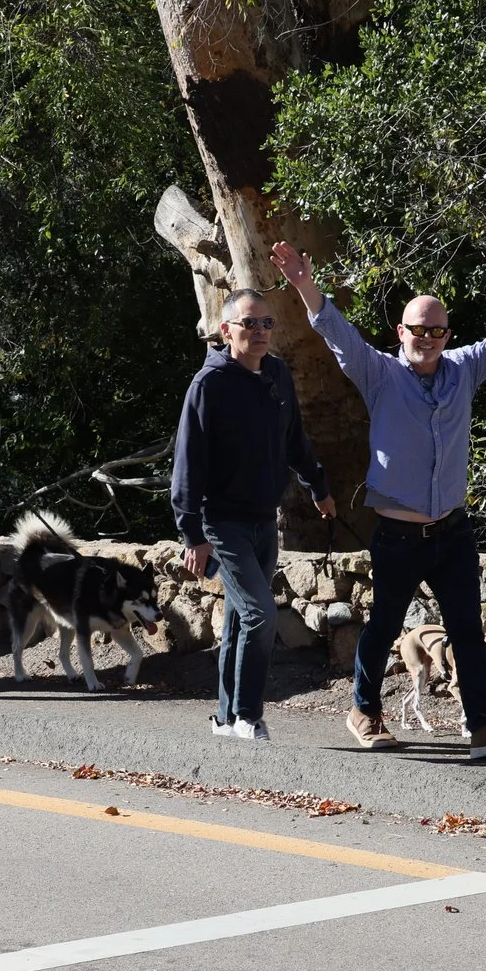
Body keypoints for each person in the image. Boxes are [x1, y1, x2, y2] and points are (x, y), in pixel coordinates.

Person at [270, 239, 486, 760]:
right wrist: (305, 285)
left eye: (436, 330)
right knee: (382, 627)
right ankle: (364, 709)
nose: (426, 338)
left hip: (452, 530)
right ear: (401, 333)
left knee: (468, 629)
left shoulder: (464, 369)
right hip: (398, 536)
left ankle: (481, 725)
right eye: (417, 329)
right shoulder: (379, 372)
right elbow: (336, 333)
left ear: (447, 335)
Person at [172, 287, 337, 740]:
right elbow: (188, 463)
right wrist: (191, 534)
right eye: (250, 323)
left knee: (242, 617)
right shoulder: (209, 385)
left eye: (267, 323)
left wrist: (318, 486)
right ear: (226, 330)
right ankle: (248, 715)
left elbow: (294, 440)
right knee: (261, 613)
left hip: (265, 518)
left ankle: (226, 719)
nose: (261, 331)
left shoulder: (277, 375)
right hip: (221, 523)